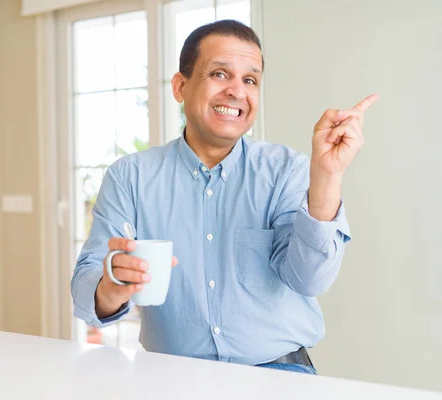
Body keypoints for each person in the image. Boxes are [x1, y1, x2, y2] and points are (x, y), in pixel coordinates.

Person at [71, 19, 378, 375]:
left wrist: (327, 175)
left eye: (250, 80)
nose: (236, 91)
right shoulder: (131, 176)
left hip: (278, 375)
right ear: (180, 86)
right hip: (171, 376)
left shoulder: (285, 171)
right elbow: (86, 282)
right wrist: (112, 285)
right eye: (220, 74)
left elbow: (309, 280)